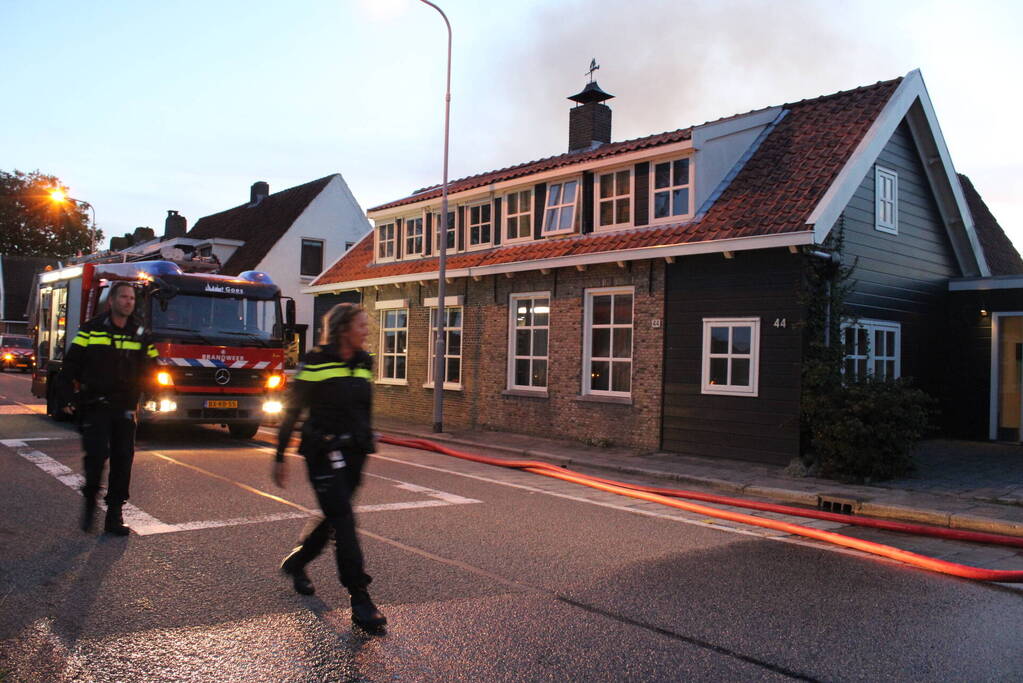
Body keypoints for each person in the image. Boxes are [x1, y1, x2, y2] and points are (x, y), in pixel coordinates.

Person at [272, 303, 387, 632]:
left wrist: (367, 437)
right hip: (322, 452)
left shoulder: (364, 363)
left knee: (337, 515)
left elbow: (364, 408)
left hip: (353, 454)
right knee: (344, 520)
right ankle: (360, 598)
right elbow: (292, 410)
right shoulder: (316, 361)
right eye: (361, 325)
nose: (367, 331)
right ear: (343, 329)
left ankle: (298, 561)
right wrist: (279, 455)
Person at [59, 281, 159, 535]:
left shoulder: (140, 332)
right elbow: (70, 364)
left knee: (123, 459)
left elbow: (153, 366)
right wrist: (67, 397)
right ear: (112, 301)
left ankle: (114, 514)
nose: (128, 302)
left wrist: (153, 391)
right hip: (95, 405)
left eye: (132, 298)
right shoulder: (92, 329)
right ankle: (90, 499)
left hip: (125, 407)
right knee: (95, 456)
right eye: (124, 297)